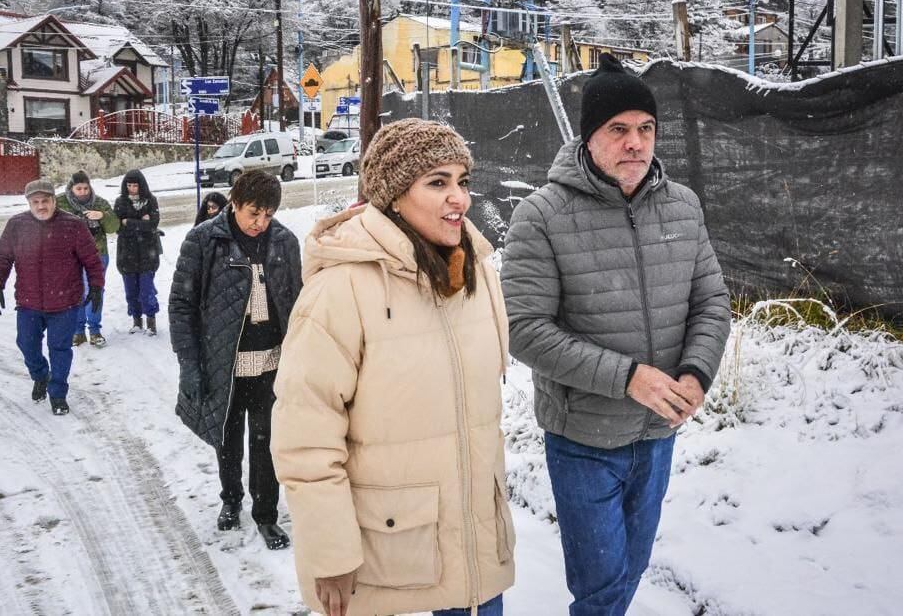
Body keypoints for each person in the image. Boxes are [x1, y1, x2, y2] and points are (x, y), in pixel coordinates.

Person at [501, 53, 731, 615]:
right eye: (619, 129)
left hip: (658, 432)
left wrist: (696, 373)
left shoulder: (682, 205)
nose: (636, 143)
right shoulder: (542, 215)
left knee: (631, 566)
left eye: (646, 128)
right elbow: (524, 329)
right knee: (600, 585)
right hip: (584, 438)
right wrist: (628, 378)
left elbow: (711, 301)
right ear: (588, 138)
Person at [272, 119, 516, 616]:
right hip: (387, 566)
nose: (459, 199)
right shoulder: (341, 289)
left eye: (462, 181)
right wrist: (330, 550)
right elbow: (305, 435)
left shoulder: (477, 274)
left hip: (475, 557)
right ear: (394, 196)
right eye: (437, 182)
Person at [169, 170, 302, 551]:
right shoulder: (204, 241)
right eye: (254, 213)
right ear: (235, 203)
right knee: (227, 439)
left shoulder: (284, 242)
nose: (261, 223)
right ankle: (231, 499)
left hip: (272, 363)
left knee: (267, 442)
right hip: (223, 364)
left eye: (268, 215)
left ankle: (266, 514)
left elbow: (298, 302)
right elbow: (182, 304)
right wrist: (189, 363)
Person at [0, 178, 105, 416]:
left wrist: (95, 288)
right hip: (29, 302)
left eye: (46, 201)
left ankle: (58, 393)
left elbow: (92, 260)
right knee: (27, 344)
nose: (41, 206)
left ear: (54, 200)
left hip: (65, 302)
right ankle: (41, 375)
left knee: (60, 349)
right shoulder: (17, 225)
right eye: (36, 202)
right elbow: (3, 257)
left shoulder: (73, 225)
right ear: (29, 203)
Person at [56, 170, 119, 347]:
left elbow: (113, 226)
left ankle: (94, 330)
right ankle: (78, 331)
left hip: (97, 254)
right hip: (71, 256)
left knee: (95, 290)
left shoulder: (100, 203)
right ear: (71, 188)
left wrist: (102, 216)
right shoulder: (60, 202)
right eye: (79, 188)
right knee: (76, 291)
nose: (83, 192)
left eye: (86, 188)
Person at [114, 169, 162, 335]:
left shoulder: (150, 200)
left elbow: (153, 225)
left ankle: (151, 321)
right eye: (129, 185)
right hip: (126, 253)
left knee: (147, 289)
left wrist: (129, 222)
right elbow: (118, 227)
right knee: (131, 290)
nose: (132, 188)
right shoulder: (120, 202)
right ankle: (136, 320)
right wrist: (141, 222)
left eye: (135, 185)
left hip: (147, 252)